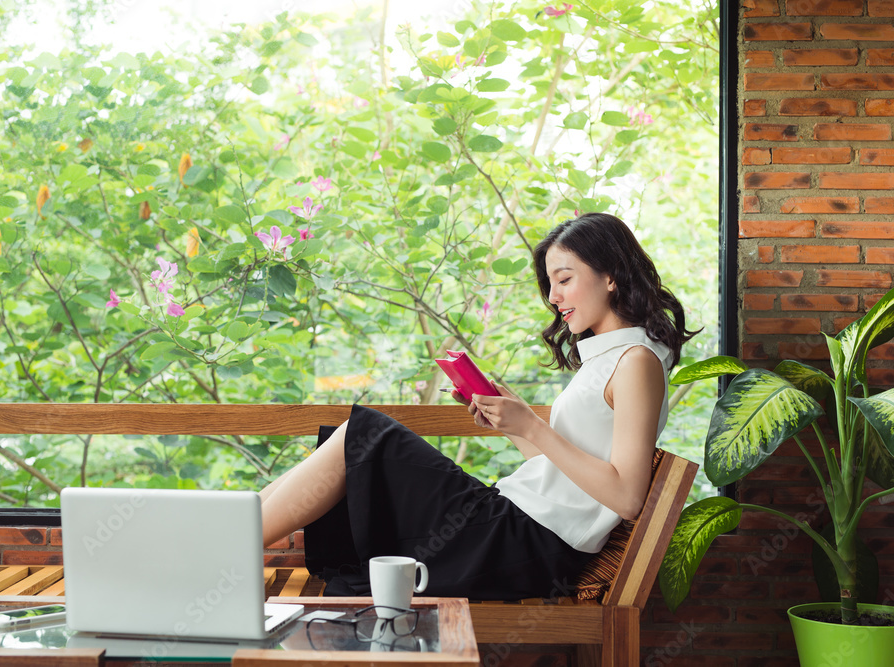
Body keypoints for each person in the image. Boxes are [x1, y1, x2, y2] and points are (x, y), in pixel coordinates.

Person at [258, 212, 698, 600]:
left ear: (611, 275)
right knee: (354, 438)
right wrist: (510, 422)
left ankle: (228, 540)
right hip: (513, 524)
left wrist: (533, 426)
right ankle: (232, 531)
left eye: (564, 279)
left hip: (525, 542)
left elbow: (627, 498)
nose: (553, 297)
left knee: (365, 435)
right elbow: (571, 479)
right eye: (550, 284)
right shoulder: (608, 358)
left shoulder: (635, 361)